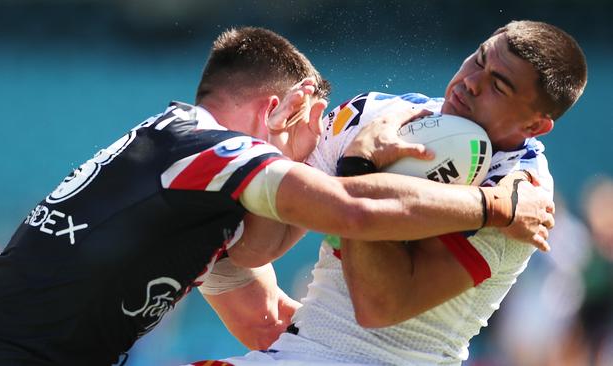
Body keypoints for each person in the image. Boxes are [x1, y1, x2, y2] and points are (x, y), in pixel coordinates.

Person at [0, 26, 551, 366]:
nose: (312, 151)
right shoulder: (215, 153)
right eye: (311, 128)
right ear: (284, 107)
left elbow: (263, 314)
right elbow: (351, 206)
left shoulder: (182, 170)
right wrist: (497, 206)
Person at [192, 20, 586, 365]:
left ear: (535, 125)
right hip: (298, 352)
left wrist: (360, 167)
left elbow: (379, 306)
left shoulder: (523, 194)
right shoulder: (381, 114)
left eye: (498, 86)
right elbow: (255, 249)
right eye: (478, 59)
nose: (470, 81)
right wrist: (277, 153)